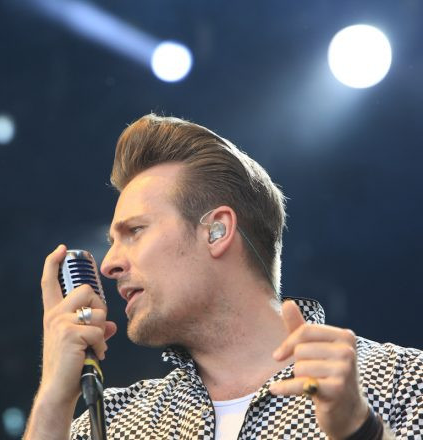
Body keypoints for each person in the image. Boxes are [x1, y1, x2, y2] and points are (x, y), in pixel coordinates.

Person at [24, 114, 422, 440]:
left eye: (135, 231)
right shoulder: (115, 423)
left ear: (217, 231)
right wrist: (54, 401)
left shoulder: (402, 381)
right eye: (112, 241)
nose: (109, 263)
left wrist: (360, 430)